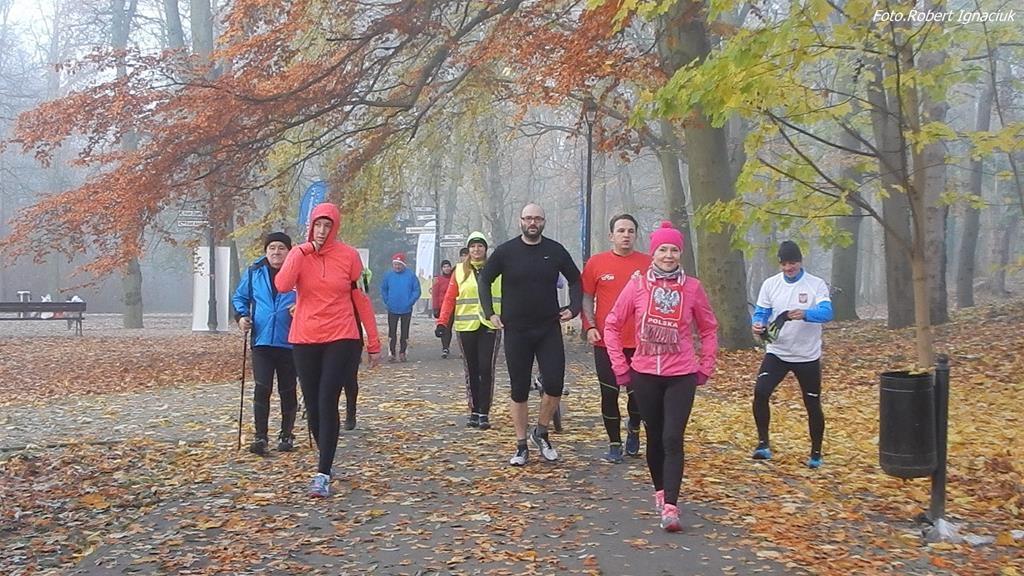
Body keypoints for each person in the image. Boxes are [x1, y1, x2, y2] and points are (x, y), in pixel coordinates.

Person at [604, 221, 718, 533]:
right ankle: (660, 490)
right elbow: (612, 325)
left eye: (674, 250)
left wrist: (705, 366)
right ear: (653, 253)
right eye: (663, 249)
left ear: (681, 253)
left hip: (681, 374)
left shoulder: (692, 288)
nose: (669, 255)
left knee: (672, 437)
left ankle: (671, 506)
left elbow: (709, 329)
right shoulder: (638, 286)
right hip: (644, 374)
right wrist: (620, 367)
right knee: (654, 437)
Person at [275, 203, 381, 498]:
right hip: (305, 337)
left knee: (327, 399)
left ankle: (322, 473)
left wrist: (373, 341)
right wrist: (300, 252)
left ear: (335, 228)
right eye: (318, 225)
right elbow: (282, 285)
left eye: (327, 226)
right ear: (311, 226)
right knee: (312, 405)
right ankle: (327, 456)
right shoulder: (300, 254)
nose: (322, 231)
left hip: (341, 336)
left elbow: (361, 300)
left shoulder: (349, 256)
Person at [479, 203, 581, 466]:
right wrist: (490, 312)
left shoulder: (555, 250)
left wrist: (574, 308)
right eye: (528, 218)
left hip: (548, 327)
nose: (532, 223)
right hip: (516, 330)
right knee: (519, 388)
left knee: (555, 384)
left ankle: (541, 431)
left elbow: (575, 279)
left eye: (537, 219)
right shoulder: (506, 252)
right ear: (520, 221)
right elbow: (485, 280)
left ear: (543, 222)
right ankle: (521, 445)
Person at [750, 240, 833, 469]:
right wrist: (758, 323)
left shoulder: (815, 284)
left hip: (807, 355)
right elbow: (761, 312)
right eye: (784, 263)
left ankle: (816, 453)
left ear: (800, 261)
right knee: (760, 392)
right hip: (777, 352)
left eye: (793, 263)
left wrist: (805, 314)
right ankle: (763, 444)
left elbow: (827, 313)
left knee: (812, 402)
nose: (789, 267)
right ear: (780, 264)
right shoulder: (770, 284)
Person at [580, 214, 650, 463]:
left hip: (641, 343)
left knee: (637, 395)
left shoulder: (648, 263)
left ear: (636, 235)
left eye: (630, 231)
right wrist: (589, 326)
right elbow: (586, 297)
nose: (626, 235)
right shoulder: (596, 263)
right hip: (606, 342)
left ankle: (634, 427)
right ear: (611, 236)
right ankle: (614, 443)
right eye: (621, 231)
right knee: (609, 393)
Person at [232, 232, 299, 455]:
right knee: (262, 388)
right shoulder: (255, 271)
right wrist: (242, 317)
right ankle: (260, 437)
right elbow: (240, 297)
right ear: (266, 251)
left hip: (290, 340)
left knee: (288, 389)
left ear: (289, 251)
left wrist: (301, 308)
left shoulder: (298, 272)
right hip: (261, 340)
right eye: (272, 248)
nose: (276, 252)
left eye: (281, 248)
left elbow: (312, 296)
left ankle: (286, 435)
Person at [437, 233, 502, 430]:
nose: (476, 250)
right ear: (468, 249)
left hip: (490, 324)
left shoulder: (497, 270)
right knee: (471, 369)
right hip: (466, 326)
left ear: (485, 249)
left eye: (480, 246)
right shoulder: (459, 271)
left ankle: (484, 412)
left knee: (486, 368)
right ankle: (474, 410)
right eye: (473, 246)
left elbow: (508, 295)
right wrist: (442, 322)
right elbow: (450, 298)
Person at [380, 252, 420, 362]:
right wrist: (387, 301)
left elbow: (416, 290)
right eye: (395, 264)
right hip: (392, 308)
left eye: (399, 264)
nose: (397, 267)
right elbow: (383, 289)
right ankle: (392, 353)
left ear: (403, 265)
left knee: (404, 332)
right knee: (392, 332)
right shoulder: (388, 275)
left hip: (406, 309)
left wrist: (410, 301)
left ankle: (403, 352)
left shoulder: (411, 275)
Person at [431, 259, 454, 358]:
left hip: (455, 306)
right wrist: (435, 308)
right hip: (443, 307)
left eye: (448, 266)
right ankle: (445, 347)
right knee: (445, 328)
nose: (447, 268)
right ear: (442, 269)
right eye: (444, 267)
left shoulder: (454, 278)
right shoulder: (438, 280)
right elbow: (435, 294)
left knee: (456, 328)